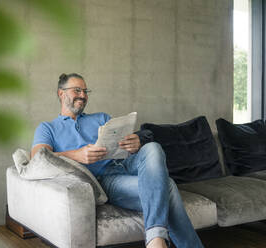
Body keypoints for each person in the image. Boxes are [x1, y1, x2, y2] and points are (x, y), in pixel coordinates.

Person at [31, 73, 204, 248]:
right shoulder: (48, 128)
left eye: (85, 91)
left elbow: (125, 144)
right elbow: (37, 158)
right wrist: (76, 155)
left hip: (125, 164)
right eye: (77, 90)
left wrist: (135, 142)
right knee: (167, 186)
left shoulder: (101, 118)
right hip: (105, 180)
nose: (83, 95)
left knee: (152, 147)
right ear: (61, 93)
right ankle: (156, 238)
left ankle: (155, 241)